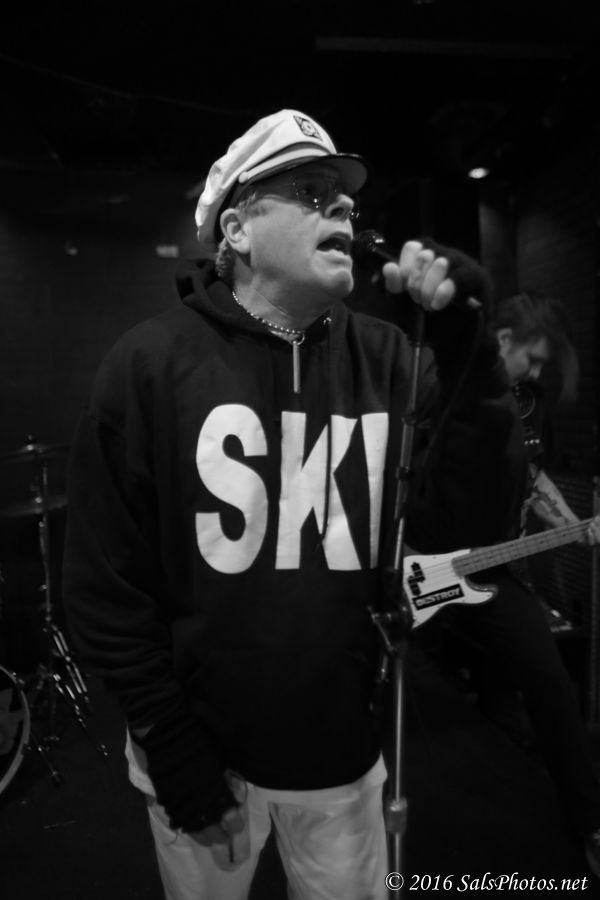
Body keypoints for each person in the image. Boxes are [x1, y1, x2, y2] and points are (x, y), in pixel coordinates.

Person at [62, 109, 525, 900]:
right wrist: (170, 743)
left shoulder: (392, 359)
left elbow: (477, 524)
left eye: (346, 199)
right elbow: (106, 583)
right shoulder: (148, 365)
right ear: (237, 229)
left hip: (341, 758)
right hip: (200, 755)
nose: (343, 207)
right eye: (311, 193)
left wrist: (471, 358)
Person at [421, 288, 600, 877]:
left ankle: (588, 823)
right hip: (426, 563)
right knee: (398, 681)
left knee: (548, 684)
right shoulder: (449, 389)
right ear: (503, 341)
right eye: (535, 359)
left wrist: (573, 525)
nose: (539, 373)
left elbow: (535, 474)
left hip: (495, 568)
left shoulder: (528, 402)